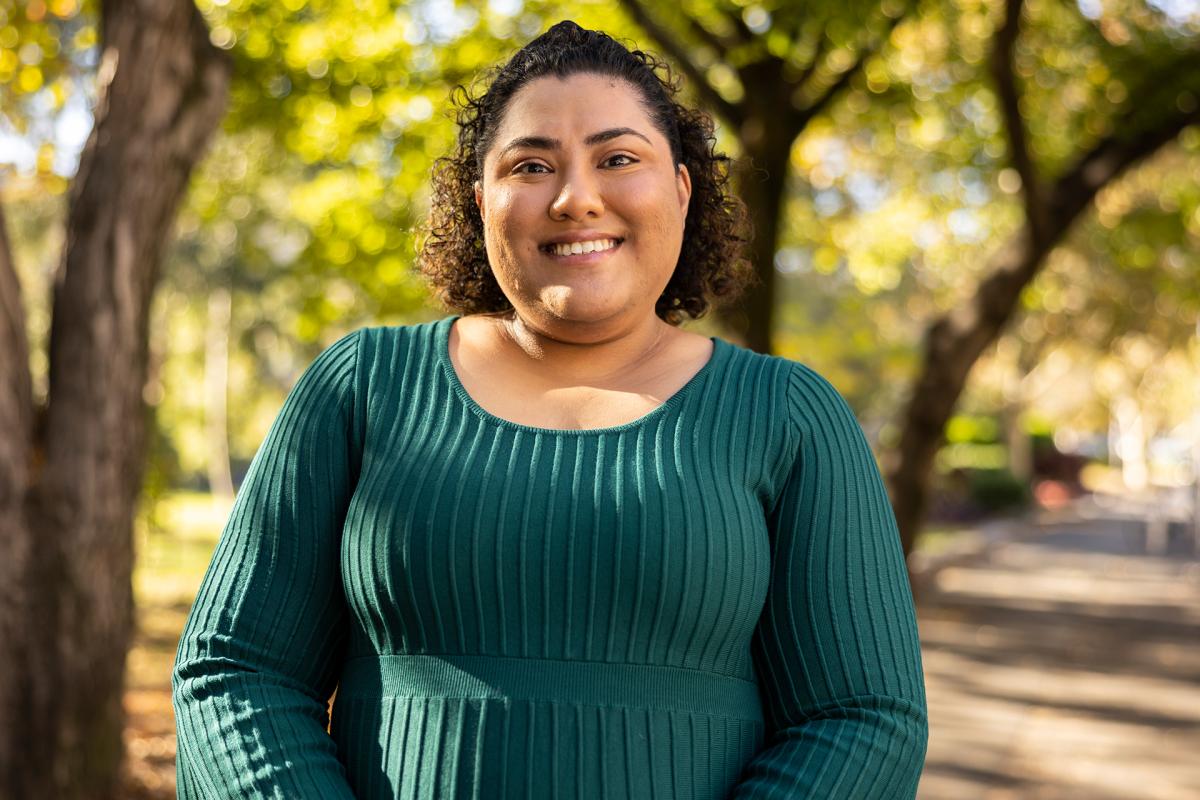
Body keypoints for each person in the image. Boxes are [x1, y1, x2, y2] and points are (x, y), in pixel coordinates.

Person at [172, 20, 928, 799]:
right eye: (531, 165)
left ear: (680, 187)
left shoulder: (789, 417)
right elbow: (233, 672)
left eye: (618, 158)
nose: (575, 198)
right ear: (481, 202)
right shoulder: (360, 389)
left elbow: (862, 717)